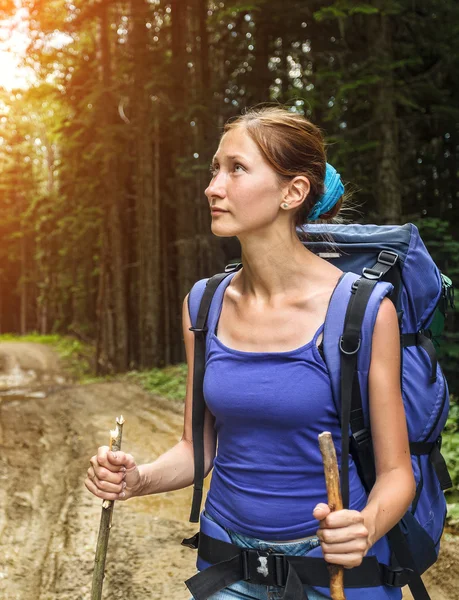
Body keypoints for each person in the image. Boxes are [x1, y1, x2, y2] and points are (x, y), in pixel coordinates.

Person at [85, 105, 416, 600]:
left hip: (330, 570)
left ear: (293, 191)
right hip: (225, 561)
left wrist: (365, 527)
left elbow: (396, 473)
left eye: (236, 168)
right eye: (216, 168)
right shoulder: (204, 304)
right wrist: (139, 479)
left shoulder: (363, 311)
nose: (213, 186)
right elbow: (198, 447)